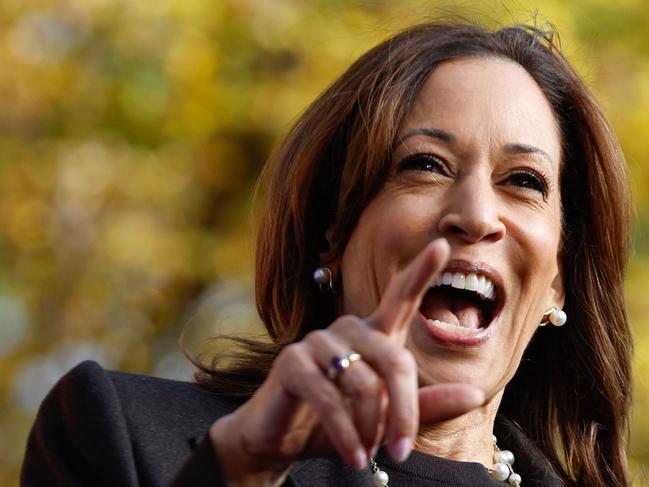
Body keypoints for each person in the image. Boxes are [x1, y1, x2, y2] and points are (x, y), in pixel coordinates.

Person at [21, 20, 632, 487]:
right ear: (329, 237)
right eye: (424, 165)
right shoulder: (119, 433)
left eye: (524, 181)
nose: (475, 214)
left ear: (559, 279)